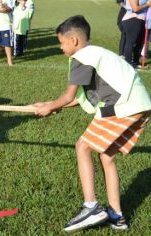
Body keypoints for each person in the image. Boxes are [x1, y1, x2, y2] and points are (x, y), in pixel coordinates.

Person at [32, 15, 151, 233]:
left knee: (82, 146)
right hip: (140, 104)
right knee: (106, 156)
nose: (60, 48)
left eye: (62, 42)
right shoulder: (96, 53)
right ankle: (117, 216)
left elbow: (68, 97)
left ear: (74, 40)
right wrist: (50, 104)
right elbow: (78, 99)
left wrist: (52, 106)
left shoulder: (82, 57)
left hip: (123, 105)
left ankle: (91, 207)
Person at [121, 0, 151, 68]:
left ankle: (136, 62)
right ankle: (128, 63)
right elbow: (135, 9)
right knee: (131, 42)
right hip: (133, 19)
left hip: (142, 20)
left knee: (140, 43)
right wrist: (147, 4)